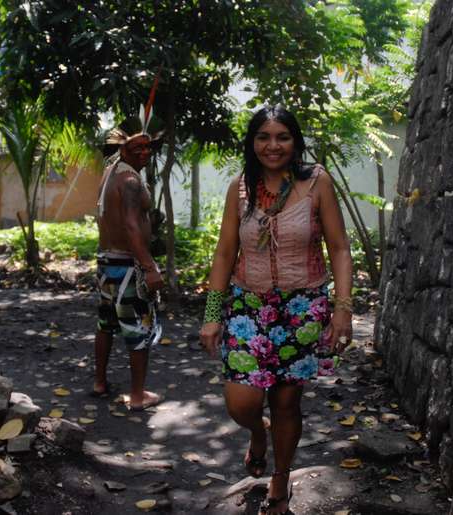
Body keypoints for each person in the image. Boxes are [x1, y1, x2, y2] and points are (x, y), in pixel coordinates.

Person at [199, 105, 353, 515]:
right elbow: (224, 253)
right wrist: (213, 314)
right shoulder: (241, 187)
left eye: (282, 137)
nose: (273, 145)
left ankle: (281, 479)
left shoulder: (317, 182)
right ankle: (257, 433)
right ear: (252, 143)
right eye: (264, 137)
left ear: (295, 142)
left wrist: (342, 308)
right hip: (249, 308)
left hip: (303, 309)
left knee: (287, 404)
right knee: (242, 403)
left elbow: (339, 247)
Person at [92, 113, 166, 410]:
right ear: (122, 150)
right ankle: (137, 395)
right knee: (139, 330)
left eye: (148, 148)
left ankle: (99, 382)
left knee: (105, 324)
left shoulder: (110, 172)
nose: (145, 153)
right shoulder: (131, 180)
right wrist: (149, 267)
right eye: (137, 149)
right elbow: (132, 226)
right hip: (127, 268)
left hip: (106, 264)